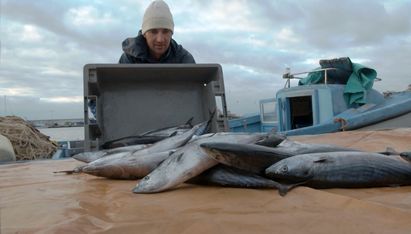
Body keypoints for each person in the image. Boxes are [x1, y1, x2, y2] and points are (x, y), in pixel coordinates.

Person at [119, 0, 195, 64]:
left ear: (171, 34)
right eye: (153, 32)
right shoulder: (129, 59)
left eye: (165, 31)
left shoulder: (183, 59)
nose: (160, 40)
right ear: (144, 34)